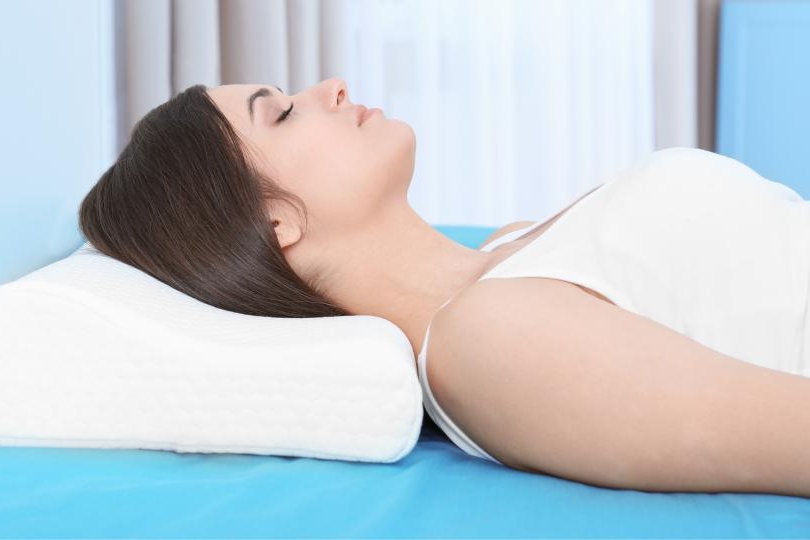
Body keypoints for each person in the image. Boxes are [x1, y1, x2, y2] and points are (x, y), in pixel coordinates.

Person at [78, 78, 810, 498]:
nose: (329, 87)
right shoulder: (489, 342)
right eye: (284, 112)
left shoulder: (511, 245)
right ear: (272, 227)